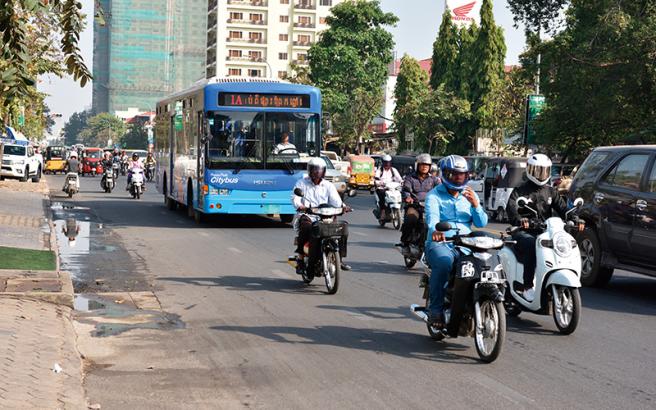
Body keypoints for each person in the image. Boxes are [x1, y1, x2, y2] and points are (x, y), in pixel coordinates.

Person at [506, 153, 583, 302]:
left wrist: (575, 218)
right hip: (524, 232)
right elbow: (512, 209)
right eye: (537, 171)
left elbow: (563, 209)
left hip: (547, 232)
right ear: (529, 170)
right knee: (530, 245)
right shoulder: (519, 191)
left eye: (544, 171)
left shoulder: (551, 191)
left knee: (565, 244)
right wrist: (520, 220)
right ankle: (528, 286)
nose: (541, 175)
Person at [425, 155, 488, 326]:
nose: (458, 178)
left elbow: (481, 223)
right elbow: (432, 218)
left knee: (484, 267)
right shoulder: (434, 195)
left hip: (467, 244)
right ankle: (435, 310)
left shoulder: (469, 194)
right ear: (445, 174)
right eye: (454, 174)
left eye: (462, 175)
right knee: (445, 262)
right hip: (441, 243)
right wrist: (436, 230)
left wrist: (476, 205)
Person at [292, 157, 351, 273]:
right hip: (309, 215)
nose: (317, 173)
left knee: (343, 228)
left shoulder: (328, 185)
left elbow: (336, 201)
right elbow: (295, 198)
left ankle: (340, 258)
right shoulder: (301, 183)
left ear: (323, 171)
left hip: (326, 216)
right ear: (310, 170)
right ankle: (300, 257)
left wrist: (343, 207)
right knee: (306, 228)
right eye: (314, 170)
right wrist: (300, 206)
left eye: (319, 170)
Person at [398, 154, 440, 253]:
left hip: (430, 207)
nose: (425, 167)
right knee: (411, 218)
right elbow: (406, 190)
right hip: (415, 206)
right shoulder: (410, 178)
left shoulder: (434, 180)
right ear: (418, 165)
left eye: (427, 165)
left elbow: (441, 190)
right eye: (422, 164)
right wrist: (408, 197)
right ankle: (405, 242)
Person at [374, 154, 402, 220]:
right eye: (386, 162)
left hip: (392, 188)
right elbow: (376, 178)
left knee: (401, 194)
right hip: (382, 188)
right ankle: (383, 212)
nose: (387, 164)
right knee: (382, 196)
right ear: (383, 163)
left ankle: (401, 209)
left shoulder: (393, 170)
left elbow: (399, 178)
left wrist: (402, 181)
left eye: (388, 163)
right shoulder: (379, 170)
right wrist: (379, 183)